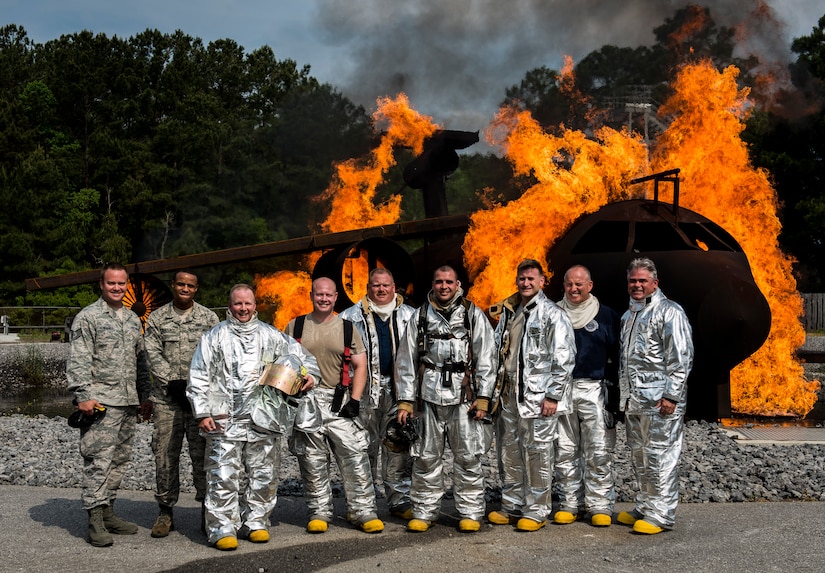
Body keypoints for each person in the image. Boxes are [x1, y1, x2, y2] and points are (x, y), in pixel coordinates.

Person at [187, 284, 319, 551]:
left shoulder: (271, 335)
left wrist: (309, 376)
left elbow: (301, 358)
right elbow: (198, 375)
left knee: (264, 474)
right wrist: (202, 412)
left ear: (255, 305)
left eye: (248, 304)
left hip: (263, 419)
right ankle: (222, 527)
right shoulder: (214, 337)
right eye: (238, 304)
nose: (243, 309)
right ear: (229, 305)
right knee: (222, 475)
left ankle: (257, 522)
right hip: (224, 420)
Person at [395, 265, 497, 533]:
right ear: (433, 283)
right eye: (439, 281)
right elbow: (406, 360)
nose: (443, 286)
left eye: (448, 282)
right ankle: (424, 511)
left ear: (457, 284)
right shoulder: (419, 317)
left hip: (465, 397)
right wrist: (405, 400)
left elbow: (486, 357)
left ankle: (471, 513)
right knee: (426, 457)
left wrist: (484, 397)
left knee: (468, 457)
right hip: (427, 396)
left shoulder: (473, 315)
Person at [286, 277, 384, 534]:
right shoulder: (295, 326)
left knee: (354, 456)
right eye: (319, 294)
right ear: (311, 295)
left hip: (338, 401)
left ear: (336, 296)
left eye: (328, 295)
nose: (324, 299)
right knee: (312, 460)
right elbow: (284, 363)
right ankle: (319, 512)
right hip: (306, 402)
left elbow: (361, 366)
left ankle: (362, 511)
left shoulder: (348, 328)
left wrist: (354, 400)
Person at [486, 259, 575, 532]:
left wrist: (553, 396)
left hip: (538, 397)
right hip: (509, 393)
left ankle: (537, 510)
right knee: (510, 452)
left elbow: (565, 358)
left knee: (537, 454)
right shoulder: (510, 312)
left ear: (542, 282)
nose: (526, 283)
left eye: (531, 279)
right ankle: (512, 505)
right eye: (522, 278)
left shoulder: (553, 314)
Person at [66, 262, 152, 547]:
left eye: (121, 284)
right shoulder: (88, 317)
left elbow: (141, 362)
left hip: (127, 402)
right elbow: (79, 359)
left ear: (127, 285)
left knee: (119, 461)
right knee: (98, 462)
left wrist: (145, 395)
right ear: (101, 285)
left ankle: (108, 511)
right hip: (101, 402)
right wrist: (83, 396)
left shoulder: (131, 319)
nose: (117, 288)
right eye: (111, 283)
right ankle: (94, 519)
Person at [617, 258, 694, 535]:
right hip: (635, 401)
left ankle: (662, 514)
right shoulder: (629, 316)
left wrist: (672, 396)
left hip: (660, 402)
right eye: (633, 281)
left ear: (655, 283)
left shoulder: (670, 312)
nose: (637, 285)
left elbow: (681, 357)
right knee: (640, 456)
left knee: (661, 457)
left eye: (642, 281)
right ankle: (646, 505)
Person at [143, 270, 219, 537]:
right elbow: (151, 351)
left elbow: (215, 355)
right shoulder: (157, 317)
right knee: (165, 455)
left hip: (198, 402)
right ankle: (165, 511)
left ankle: (206, 510)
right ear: (173, 286)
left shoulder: (209, 318)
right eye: (180, 284)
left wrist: (196, 390)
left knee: (204, 457)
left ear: (196, 289)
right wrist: (171, 382)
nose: (185, 288)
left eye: (190, 285)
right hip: (167, 400)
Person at [339, 268, 417, 519]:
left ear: (394, 287)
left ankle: (399, 500)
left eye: (385, 285)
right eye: (376, 286)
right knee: (362, 447)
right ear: (367, 288)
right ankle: (362, 504)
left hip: (398, 392)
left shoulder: (411, 317)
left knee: (398, 445)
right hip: (362, 392)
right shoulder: (348, 318)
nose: (381, 290)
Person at [553, 264, 620, 527]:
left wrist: (614, 398)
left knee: (598, 449)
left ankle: (600, 505)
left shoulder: (606, 316)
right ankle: (571, 504)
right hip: (562, 389)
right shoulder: (554, 314)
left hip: (594, 389)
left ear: (590, 286)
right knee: (566, 449)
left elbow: (619, 357)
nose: (574, 289)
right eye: (569, 284)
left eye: (579, 284)